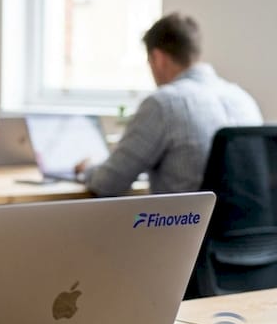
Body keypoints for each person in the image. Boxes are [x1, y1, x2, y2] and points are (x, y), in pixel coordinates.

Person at [79, 13, 262, 195]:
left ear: (158, 58)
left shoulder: (163, 104)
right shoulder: (243, 99)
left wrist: (87, 168)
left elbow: (107, 184)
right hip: (249, 215)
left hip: (187, 215)